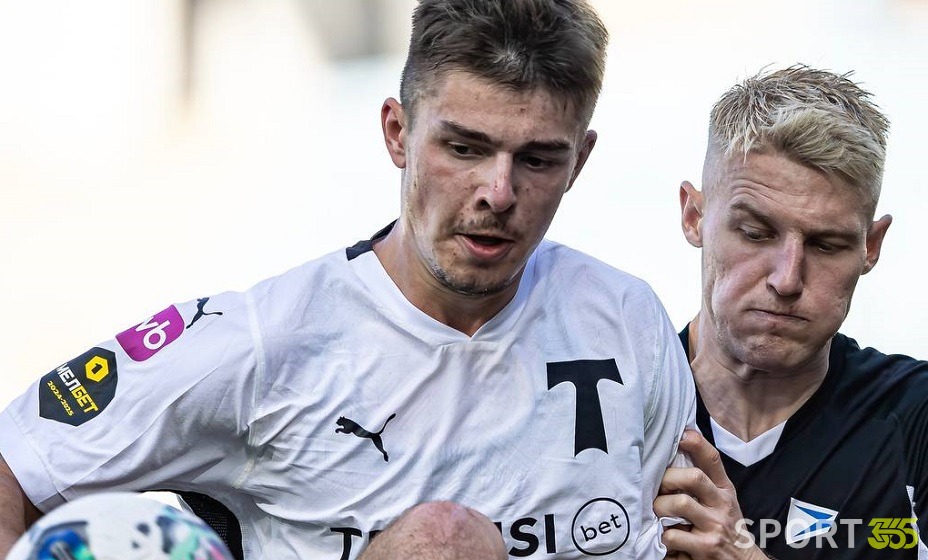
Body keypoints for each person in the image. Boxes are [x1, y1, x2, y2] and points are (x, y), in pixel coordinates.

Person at [0, 1, 696, 558]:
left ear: (580, 163)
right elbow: (15, 458)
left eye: (538, 160)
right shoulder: (265, 342)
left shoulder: (626, 318)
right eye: (464, 148)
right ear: (397, 132)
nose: (499, 192)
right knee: (444, 541)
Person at [654, 65, 928, 559]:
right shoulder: (608, 407)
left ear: (870, 246)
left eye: (826, 245)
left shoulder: (916, 418)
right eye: (755, 233)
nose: (787, 280)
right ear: (694, 216)